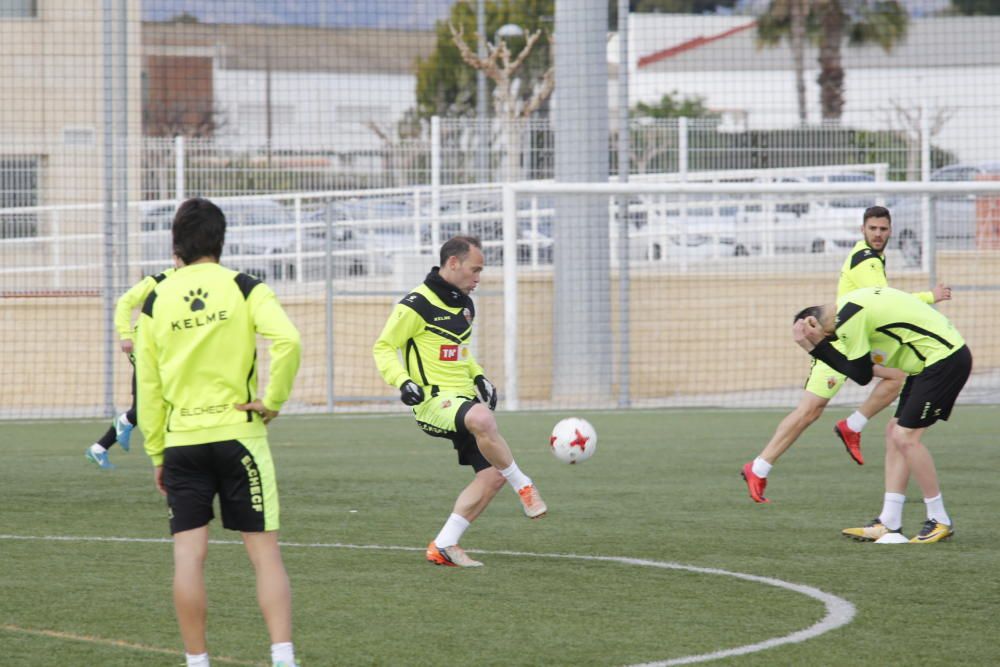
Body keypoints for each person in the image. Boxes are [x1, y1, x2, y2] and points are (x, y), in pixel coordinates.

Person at [135, 197, 302, 667]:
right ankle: (283, 658)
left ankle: (196, 661)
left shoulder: (156, 299)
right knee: (264, 555)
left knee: (188, 558)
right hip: (239, 437)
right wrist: (273, 401)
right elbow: (289, 340)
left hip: (182, 442)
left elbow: (146, 384)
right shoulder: (246, 287)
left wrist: (155, 453)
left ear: (177, 244)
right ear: (220, 240)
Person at [741, 206, 951, 503]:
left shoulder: (874, 257)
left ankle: (851, 426)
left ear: (890, 231)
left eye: (883, 229)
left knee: (897, 377)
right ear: (862, 230)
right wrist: (931, 296)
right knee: (808, 412)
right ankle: (759, 467)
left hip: (857, 342)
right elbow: (887, 302)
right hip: (838, 345)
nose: (878, 234)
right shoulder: (865, 260)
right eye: (873, 229)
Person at [373, 235, 546, 568]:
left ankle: (444, 544)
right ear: (453, 263)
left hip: (462, 399)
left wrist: (479, 375)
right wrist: (403, 381)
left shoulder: (465, 304)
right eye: (475, 269)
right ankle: (524, 485)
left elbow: (458, 351)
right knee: (482, 420)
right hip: (432, 402)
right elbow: (382, 347)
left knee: (491, 476)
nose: (478, 278)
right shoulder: (415, 304)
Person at [791, 286, 971, 543]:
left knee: (905, 437)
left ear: (814, 323)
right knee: (893, 432)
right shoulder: (849, 304)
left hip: (944, 360)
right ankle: (889, 521)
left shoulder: (847, 320)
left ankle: (939, 519)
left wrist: (815, 346)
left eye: (830, 337)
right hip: (926, 364)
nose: (834, 341)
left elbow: (862, 375)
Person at [86, 266, 175, 469]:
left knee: (145, 405)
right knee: (156, 401)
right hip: (146, 349)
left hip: (164, 350)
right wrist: (125, 334)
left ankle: (100, 447)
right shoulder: (161, 279)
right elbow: (126, 301)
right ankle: (125, 423)